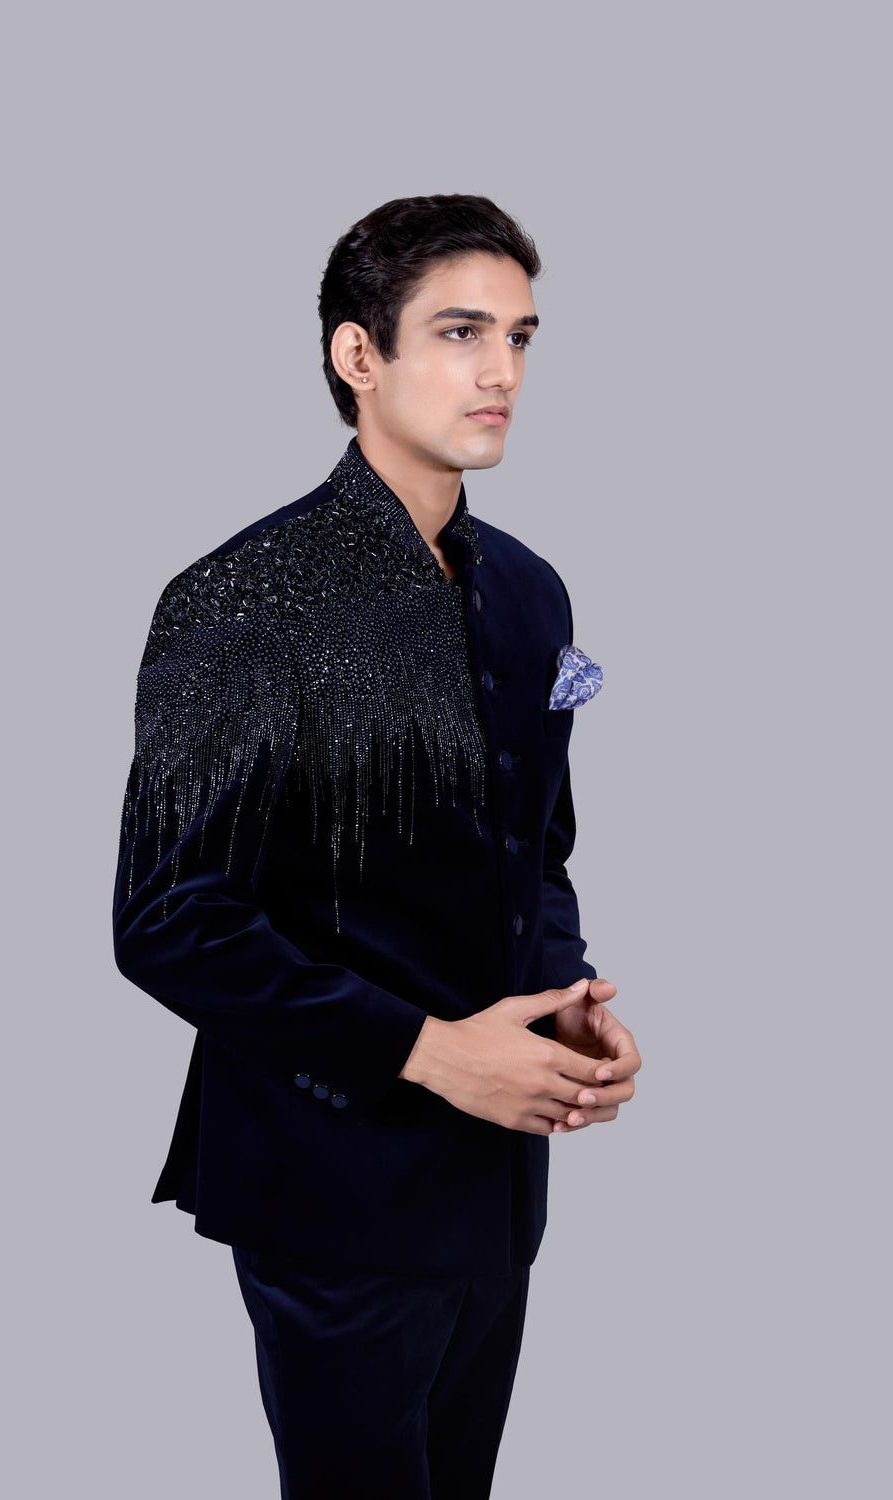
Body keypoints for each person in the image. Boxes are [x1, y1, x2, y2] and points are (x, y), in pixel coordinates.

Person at [112, 192, 641, 1499]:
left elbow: (538, 849)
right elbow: (171, 919)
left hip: (497, 1182)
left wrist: (567, 1006)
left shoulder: (532, 592)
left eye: (520, 336)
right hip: (331, 1178)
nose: (502, 370)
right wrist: (432, 1053)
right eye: (461, 332)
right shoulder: (244, 600)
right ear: (359, 354)